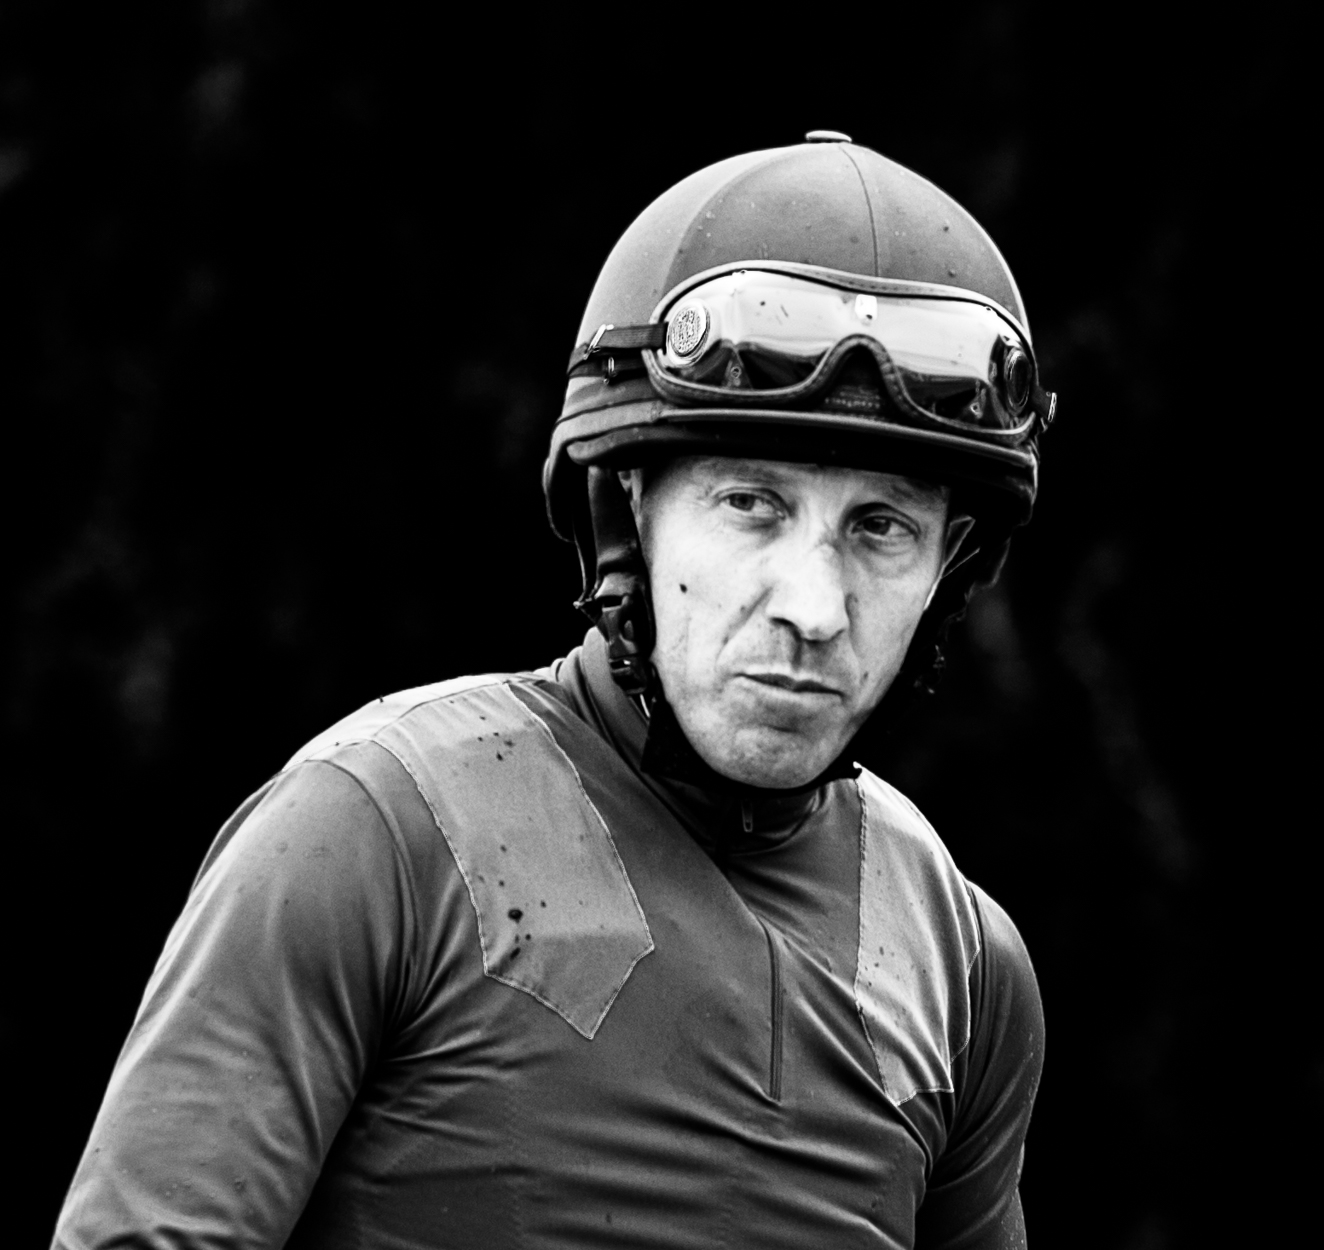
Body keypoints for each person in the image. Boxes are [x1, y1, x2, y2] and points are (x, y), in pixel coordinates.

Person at [54, 132, 1055, 1249]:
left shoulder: (962, 961)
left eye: (881, 528)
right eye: (751, 504)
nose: (814, 607)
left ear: (950, 565)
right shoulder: (376, 828)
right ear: (627, 508)